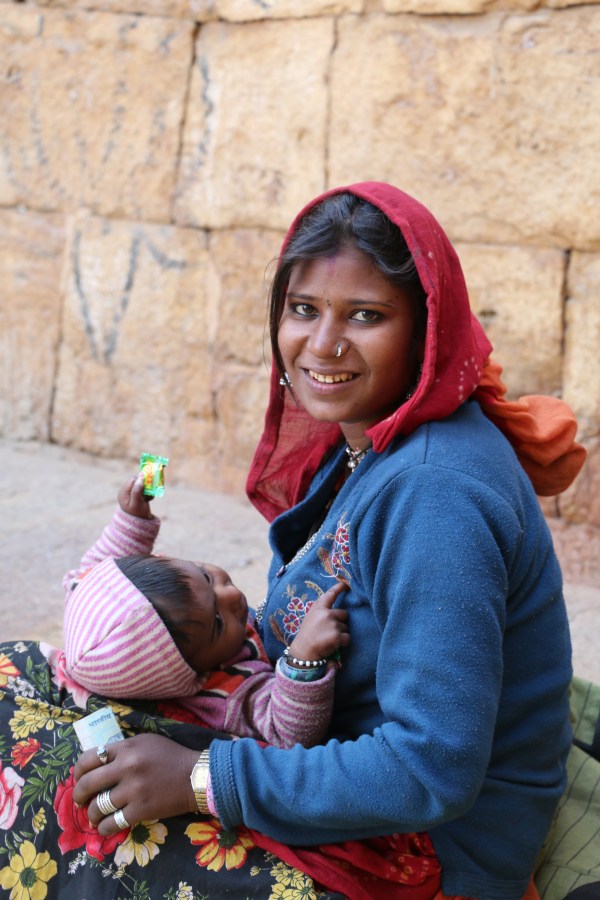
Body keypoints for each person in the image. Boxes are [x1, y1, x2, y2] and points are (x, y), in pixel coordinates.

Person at [0, 182, 586, 900]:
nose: (324, 344)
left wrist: (198, 779)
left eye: (366, 316)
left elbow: (430, 770)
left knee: (66, 813)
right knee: (22, 680)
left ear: (427, 329)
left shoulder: (437, 496)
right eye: (303, 309)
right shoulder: (373, 443)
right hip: (323, 758)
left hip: (421, 855)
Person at [57, 471, 349, 748]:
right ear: (192, 678)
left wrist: (131, 521)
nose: (232, 594)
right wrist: (303, 660)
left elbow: (96, 568)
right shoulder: (224, 691)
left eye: (207, 577)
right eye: (218, 622)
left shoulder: (83, 597)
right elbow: (286, 733)